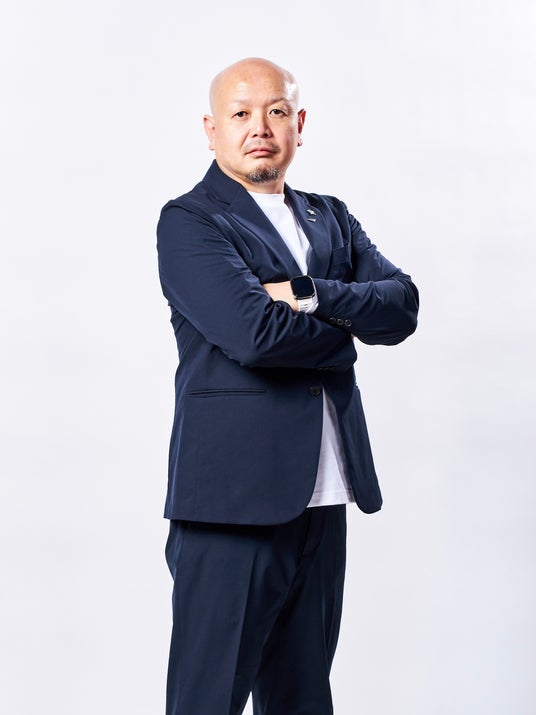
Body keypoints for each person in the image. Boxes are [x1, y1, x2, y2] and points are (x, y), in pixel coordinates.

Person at [157, 57, 419, 715]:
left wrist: (307, 292)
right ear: (212, 130)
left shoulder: (330, 217)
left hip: (324, 498)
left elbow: (402, 305)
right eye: (241, 114)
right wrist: (344, 338)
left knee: (303, 699)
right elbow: (253, 334)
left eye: (276, 111)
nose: (260, 128)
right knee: (207, 699)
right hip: (231, 506)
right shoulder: (190, 221)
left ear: (299, 124)